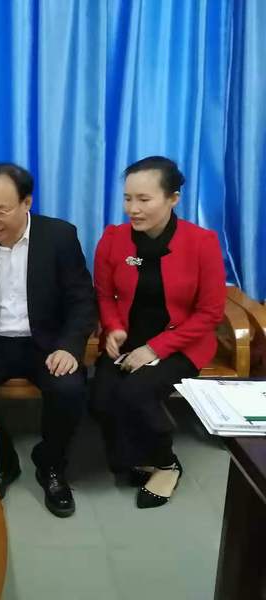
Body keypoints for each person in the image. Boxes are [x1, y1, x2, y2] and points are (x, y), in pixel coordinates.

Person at [0, 163, 96, 517]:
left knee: (69, 388)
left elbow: (81, 300)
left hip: (47, 342)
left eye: (1, 210)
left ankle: (51, 465)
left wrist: (70, 346)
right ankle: (2, 461)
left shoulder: (59, 236)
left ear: (27, 203)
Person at [92, 156, 226, 509]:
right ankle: (138, 457)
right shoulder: (113, 239)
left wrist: (155, 349)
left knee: (135, 391)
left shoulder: (202, 243)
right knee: (101, 397)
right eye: (127, 198)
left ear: (173, 198)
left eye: (144, 199)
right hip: (129, 340)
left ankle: (167, 463)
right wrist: (113, 328)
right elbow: (104, 295)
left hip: (182, 344)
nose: (132, 209)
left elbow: (210, 313)